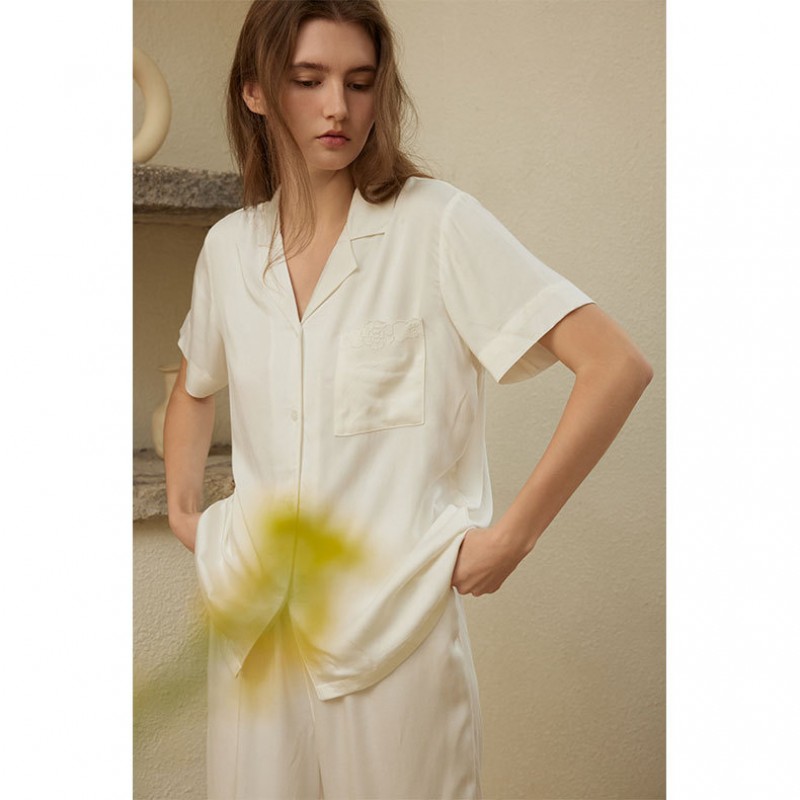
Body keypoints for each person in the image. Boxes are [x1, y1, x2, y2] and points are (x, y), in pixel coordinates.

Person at [164, 1, 653, 798]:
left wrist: (513, 537)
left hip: (390, 630)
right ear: (255, 91)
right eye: (308, 79)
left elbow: (615, 365)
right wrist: (190, 516)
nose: (338, 107)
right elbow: (194, 384)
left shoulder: (437, 225)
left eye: (359, 82)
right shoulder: (230, 249)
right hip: (256, 628)